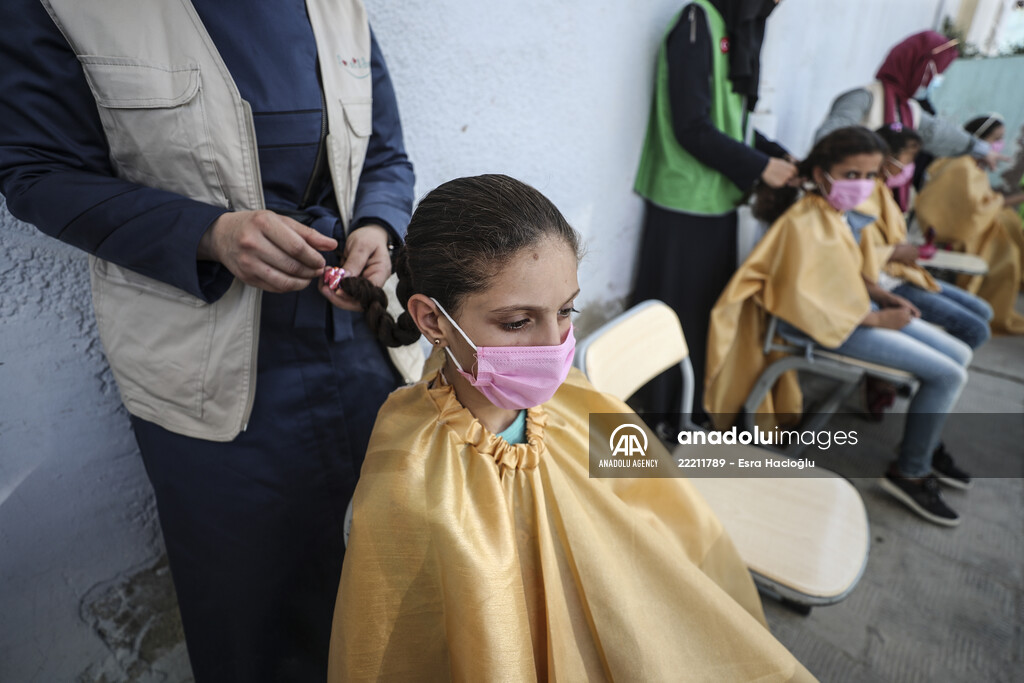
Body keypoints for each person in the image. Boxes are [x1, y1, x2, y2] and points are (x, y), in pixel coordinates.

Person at [0, 1, 415, 680]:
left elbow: (385, 151)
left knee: (385, 585)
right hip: (207, 381)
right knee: (255, 618)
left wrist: (378, 223)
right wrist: (209, 233)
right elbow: (37, 173)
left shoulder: (337, 6)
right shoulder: (55, 8)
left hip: (361, 349)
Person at [328, 174, 814, 682]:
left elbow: (660, 511)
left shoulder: (575, 400)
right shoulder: (414, 478)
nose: (553, 344)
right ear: (432, 321)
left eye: (565, 311)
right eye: (517, 322)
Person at [708, 127, 973, 527]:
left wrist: (882, 296)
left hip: (856, 313)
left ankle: (926, 438)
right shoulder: (803, 222)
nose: (863, 185)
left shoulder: (832, 213)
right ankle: (911, 471)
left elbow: (848, 272)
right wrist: (879, 318)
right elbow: (803, 302)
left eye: (870, 176)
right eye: (852, 175)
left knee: (962, 353)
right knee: (948, 374)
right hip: (826, 326)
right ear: (821, 172)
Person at [632, 0, 797, 424]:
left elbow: (732, 122)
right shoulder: (697, 20)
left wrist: (779, 156)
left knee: (702, 314)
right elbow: (691, 125)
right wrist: (762, 167)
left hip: (718, 200)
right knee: (672, 317)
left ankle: (686, 409)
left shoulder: (732, 28)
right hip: (682, 203)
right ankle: (661, 415)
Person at [815, 30, 1005, 204]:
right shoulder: (863, 98)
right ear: (918, 67)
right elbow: (829, 140)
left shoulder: (909, 109)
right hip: (839, 198)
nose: (935, 80)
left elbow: (939, 133)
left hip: (873, 201)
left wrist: (981, 149)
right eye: (934, 73)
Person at [863, 123, 992, 350]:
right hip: (883, 278)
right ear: (886, 158)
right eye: (909, 158)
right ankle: (911, 371)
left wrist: (904, 251)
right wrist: (894, 252)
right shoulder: (860, 194)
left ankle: (931, 359)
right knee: (975, 330)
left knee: (984, 311)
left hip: (897, 272)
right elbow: (851, 251)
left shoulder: (882, 191)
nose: (910, 167)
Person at [915, 114, 1024, 334]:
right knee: (1008, 259)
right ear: (978, 138)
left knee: (1012, 233)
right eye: (996, 139)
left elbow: (982, 205)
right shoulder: (961, 166)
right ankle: (983, 314)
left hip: (973, 227)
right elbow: (966, 215)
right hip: (958, 234)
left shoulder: (973, 165)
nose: (998, 145)